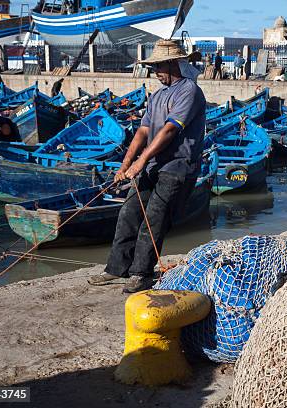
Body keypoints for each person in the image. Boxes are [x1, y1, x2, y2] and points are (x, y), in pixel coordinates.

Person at [88, 39, 206, 293]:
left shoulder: (189, 91)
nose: (155, 72)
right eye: (153, 67)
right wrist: (126, 164)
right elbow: (142, 131)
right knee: (128, 212)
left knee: (154, 218)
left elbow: (169, 131)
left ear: (172, 63)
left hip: (176, 166)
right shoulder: (157, 96)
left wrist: (141, 161)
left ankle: (141, 273)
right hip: (152, 164)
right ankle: (116, 268)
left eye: (158, 66)